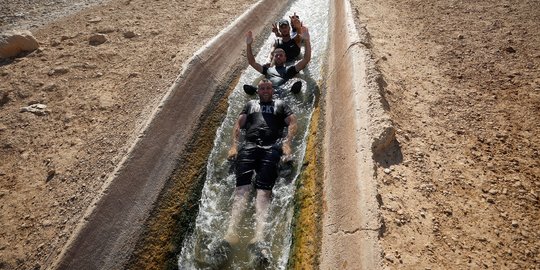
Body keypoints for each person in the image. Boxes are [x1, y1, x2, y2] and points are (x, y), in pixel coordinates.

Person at [221, 79, 297, 266]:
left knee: (264, 190)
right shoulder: (250, 104)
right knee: (242, 188)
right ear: (258, 91)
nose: (264, 90)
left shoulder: (280, 104)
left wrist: (287, 143)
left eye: (268, 88)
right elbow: (238, 125)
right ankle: (230, 234)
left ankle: (258, 237)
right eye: (262, 88)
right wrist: (233, 146)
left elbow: (292, 122)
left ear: (272, 90)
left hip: (272, 147)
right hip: (248, 146)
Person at [243, 27, 311, 95]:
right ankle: (255, 92)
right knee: (249, 88)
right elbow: (252, 62)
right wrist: (248, 45)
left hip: (283, 92)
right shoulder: (267, 70)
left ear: (285, 58)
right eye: (276, 55)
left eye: (281, 55)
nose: (278, 57)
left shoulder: (290, 69)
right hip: (267, 92)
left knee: (297, 85)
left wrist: (307, 40)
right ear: (274, 58)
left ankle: (292, 92)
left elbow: (306, 59)